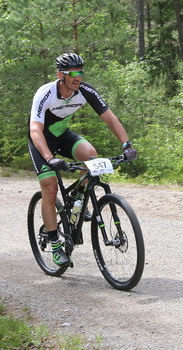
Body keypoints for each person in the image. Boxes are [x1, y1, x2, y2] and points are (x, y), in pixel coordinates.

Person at [28, 52, 137, 266]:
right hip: (41, 141)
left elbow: (110, 118)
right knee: (50, 188)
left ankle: (77, 200)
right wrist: (49, 158)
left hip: (62, 135)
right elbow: (35, 129)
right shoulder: (45, 93)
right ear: (61, 75)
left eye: (80, 72)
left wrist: (126, 144)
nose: (78, 77)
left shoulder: (85, 91)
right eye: (72, 73)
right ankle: (56, 245)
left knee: (91, 156)